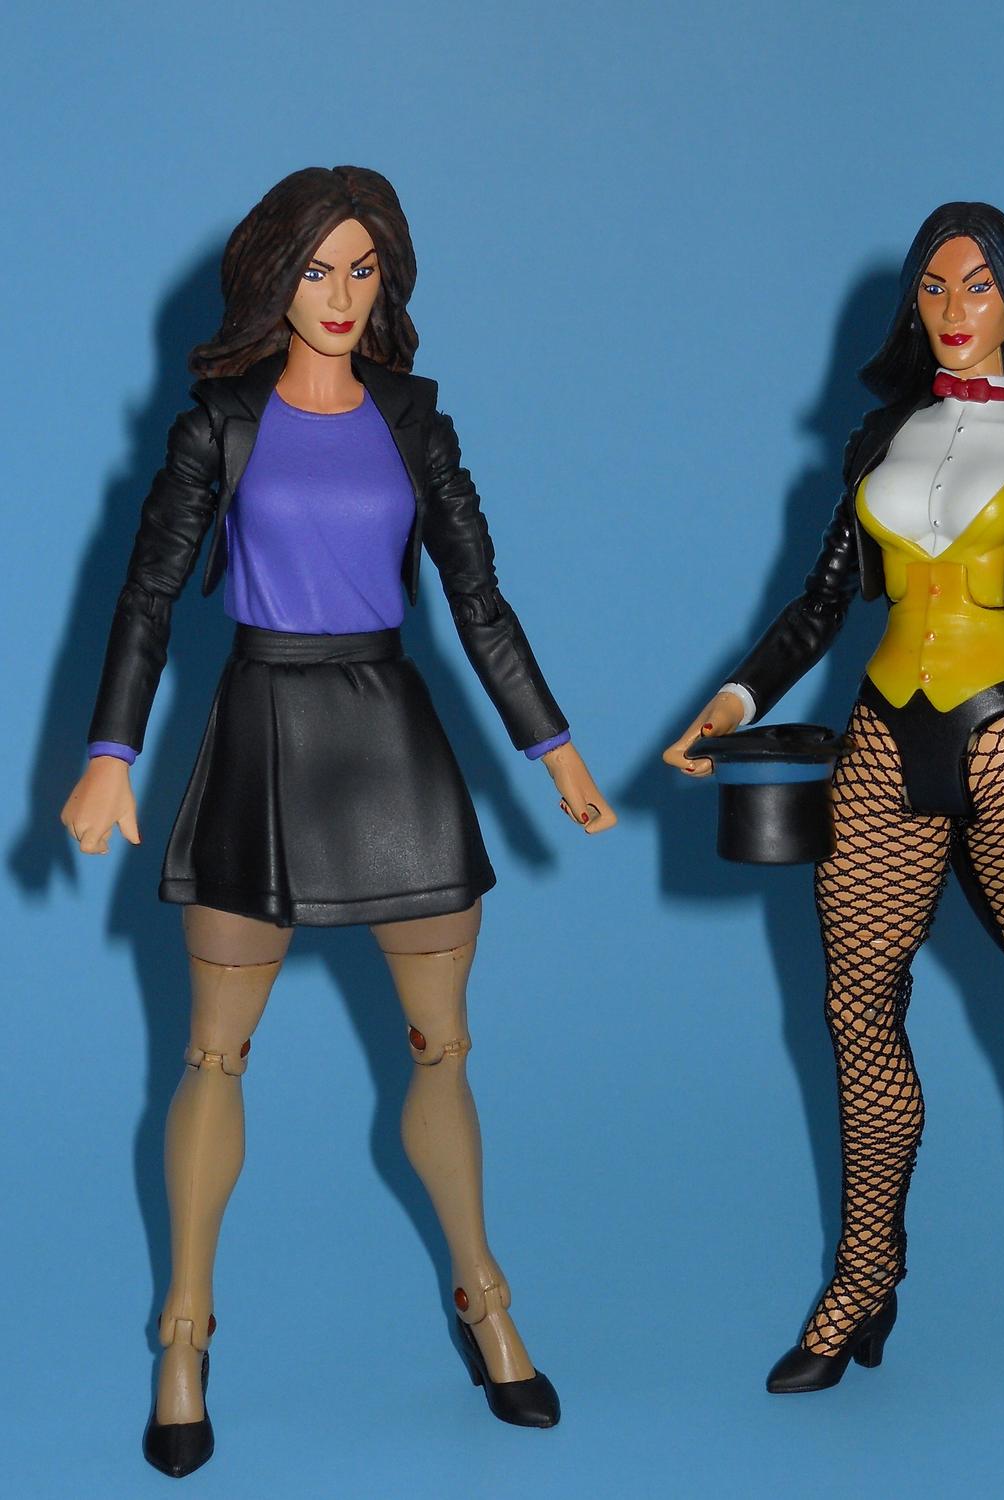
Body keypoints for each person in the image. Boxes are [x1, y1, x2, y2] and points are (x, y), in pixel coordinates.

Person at [60, 165, 615, 1478]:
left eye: (364, 269)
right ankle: (185, 1334)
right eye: (318, 268)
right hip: (260, 731)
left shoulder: (416, 421)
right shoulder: (220, 424)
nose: (342, 294)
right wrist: (109, 751)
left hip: (391, 742)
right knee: (214, 1057)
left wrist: (555, 749)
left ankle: (485, 1299)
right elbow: (147, 595)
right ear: (273, 279)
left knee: (442, 1049)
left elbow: (478, 599)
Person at [663, 201, 1004, 1471]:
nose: (956, 308)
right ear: (915, 301)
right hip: (887, 736)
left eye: (980, 285)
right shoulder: (879, 436)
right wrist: (733, 702)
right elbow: (819, 600)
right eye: (936, 287)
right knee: (856, 1010)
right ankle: (865, 1274)